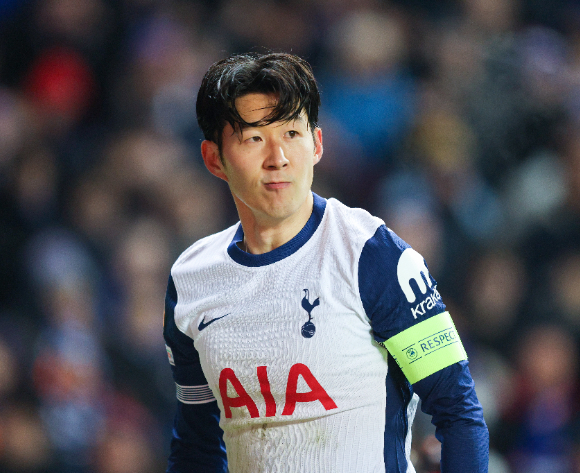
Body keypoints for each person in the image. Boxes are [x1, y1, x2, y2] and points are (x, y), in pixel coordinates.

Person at [162, 52, 489, 473]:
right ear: (213, 159)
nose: (278, 157)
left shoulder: (373, 255)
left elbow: (458, 412)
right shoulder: (191, 280)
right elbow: (196, 447)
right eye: (254, 138)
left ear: (317, 144)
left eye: (291, 133)